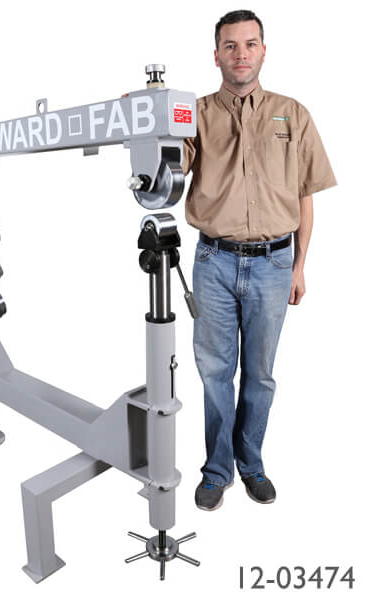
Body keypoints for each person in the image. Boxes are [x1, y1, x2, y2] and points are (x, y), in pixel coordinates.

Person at [181, 10, 337, 510]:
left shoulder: (293, 113)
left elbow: (305, 194)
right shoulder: (194, 113)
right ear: (216, 56)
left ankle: (251, 464)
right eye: (230, 45)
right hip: (214, 261)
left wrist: (299, 266)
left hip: (274, 264)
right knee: (214, 374)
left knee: (260, 375)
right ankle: (217, 470)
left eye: (250, 44)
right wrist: (145, 118)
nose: (241, 54)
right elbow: (168, 166)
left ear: (263, 51)